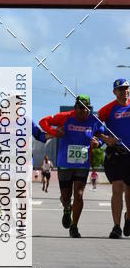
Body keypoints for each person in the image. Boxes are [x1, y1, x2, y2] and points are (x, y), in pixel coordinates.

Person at [39, 95, 106, 238]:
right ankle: (67, 209)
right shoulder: (65, 117)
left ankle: (74, 226)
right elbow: (43, 121)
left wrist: (98, 143)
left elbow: (104, 135)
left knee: (79, 195)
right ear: (75, 108)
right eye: (81, 108)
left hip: (83, 163)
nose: (84, 112)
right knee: (65, 196)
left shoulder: (94, 120)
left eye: (87, 108)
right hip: (65, 163)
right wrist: (54, 132)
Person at [97, 77, 130, 239]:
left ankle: (128, 218)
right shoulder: (107, 109)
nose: (124, 92)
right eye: (121, 89)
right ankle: (116, 226)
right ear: (114, 92)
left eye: (126, 88)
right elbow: (94, 127)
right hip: (116, 154)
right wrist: (105, 139)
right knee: (117, 188)